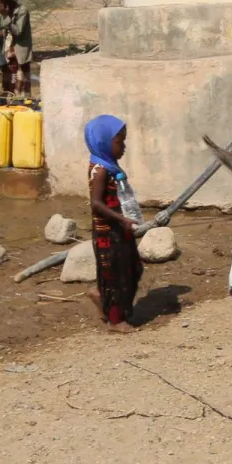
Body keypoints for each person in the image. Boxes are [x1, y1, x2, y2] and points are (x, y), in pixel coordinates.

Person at [85, 114, 142, 333]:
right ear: (103, 141)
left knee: (132, 268)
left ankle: (102, 296)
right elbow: (96, 204)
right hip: (108, 232)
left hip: (120, 227)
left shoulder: (110, 166)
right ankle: (115, 321)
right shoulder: (100, 171)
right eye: (120, 142)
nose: (124, 147)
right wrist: (121, 218)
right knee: (116, 275)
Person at [0, 0, 33, 96]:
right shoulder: (5, 10)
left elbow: (18, 32)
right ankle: (9, 101)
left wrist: (6, 16)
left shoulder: (22, 10)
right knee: (8, 77)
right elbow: (2, 27)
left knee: (20, 80)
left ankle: (21, 103)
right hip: (8, 50)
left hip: (19, 49)